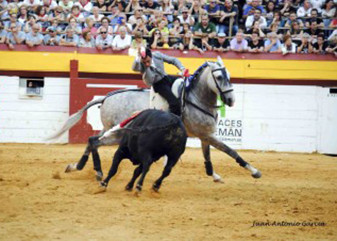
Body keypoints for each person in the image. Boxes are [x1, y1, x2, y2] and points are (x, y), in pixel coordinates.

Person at [132, 48, 189, 116]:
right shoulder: (140, 64)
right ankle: (172, 121)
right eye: (144, 62)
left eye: (148, 61)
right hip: (158, 84)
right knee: (174, 103)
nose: (147, 64)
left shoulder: (157, 55)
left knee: (185, 83)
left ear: (151, 57)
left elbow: (173, 60)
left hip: (167, 77)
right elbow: (134, 68)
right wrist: (138, 57)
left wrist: (182, 69)